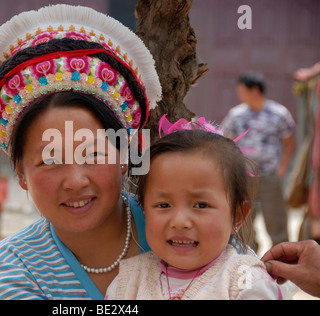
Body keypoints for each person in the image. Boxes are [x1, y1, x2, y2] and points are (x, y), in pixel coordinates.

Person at [0, 4, 161, 299]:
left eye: (92, 154)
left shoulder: (178, 229)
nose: (75, 181)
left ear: (124, 155)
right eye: (50, 160)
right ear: (21, 172)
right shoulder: (15, 267)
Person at [105, 116, 283, 299]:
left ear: (237, 216)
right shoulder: (128, 282)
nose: (180, 222)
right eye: (163, 205)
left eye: (201, 205)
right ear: (144, 210)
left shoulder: (246, 281)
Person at [222, 72, 296, 251]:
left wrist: (283, 168)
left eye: (242, 91)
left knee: (276, 217)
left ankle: (282, 253)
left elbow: (289, 143)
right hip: (244, 175)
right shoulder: (236, 114)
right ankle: (248, 254)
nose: (239, 95)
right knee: (244, 219)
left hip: (270, 175)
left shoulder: (279, 113)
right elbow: (226, 141)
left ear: (254, 90)